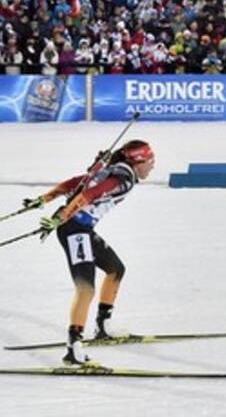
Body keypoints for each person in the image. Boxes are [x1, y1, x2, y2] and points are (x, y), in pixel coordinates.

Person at [24, 140, 156, 366]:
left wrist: (44, 199)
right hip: (74, 229)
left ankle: (103, 327)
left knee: (116, 270)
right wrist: (60, 216)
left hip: (80, 227)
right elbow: (90, 194)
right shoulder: (122, 179)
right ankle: (73, 349)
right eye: (150, 162)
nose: (152, 167)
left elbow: (76, 183)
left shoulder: (112, 171)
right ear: (138, 162)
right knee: (85, 289)